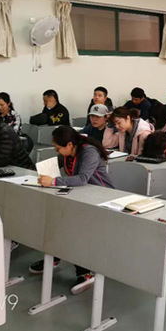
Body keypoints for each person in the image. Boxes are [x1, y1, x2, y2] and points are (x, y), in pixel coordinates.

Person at [29, 126, 115, 295]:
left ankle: (85, 272)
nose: (57, 151)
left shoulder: (89, 152)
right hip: (80, 195)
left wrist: (53, 182)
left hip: (102, 198)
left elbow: (82, 179)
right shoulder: (67, 154)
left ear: (69, 144)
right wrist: (39, 175)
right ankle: (54, 256)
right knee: (56, 219)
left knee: (73, 227)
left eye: (58, 148)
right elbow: (54, 166)